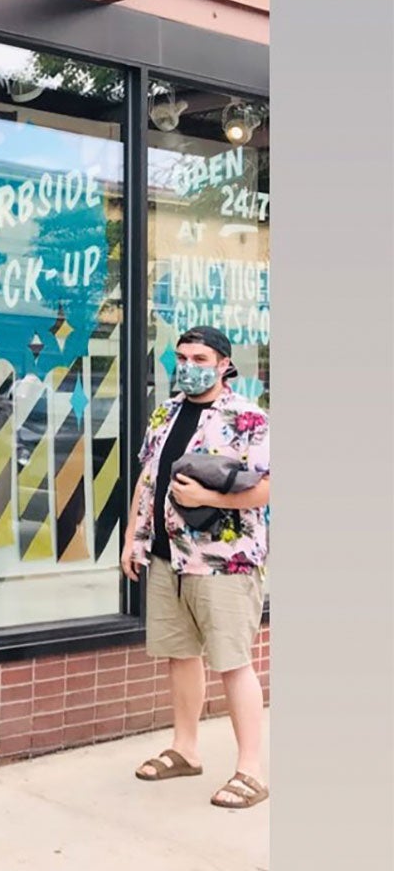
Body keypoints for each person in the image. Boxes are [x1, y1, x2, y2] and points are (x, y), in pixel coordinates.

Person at [121, 326, 271, 809]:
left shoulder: (248, 417)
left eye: (200, 356)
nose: (188, 364)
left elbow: (269, 486)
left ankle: (251, 769)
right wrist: (131, 538)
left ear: (224, 363)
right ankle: (185, 749)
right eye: (182, 356)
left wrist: (207, 497)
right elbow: (148, 480)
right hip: (167, 556)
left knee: (232, 661)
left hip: (223, 560)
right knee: (180, 655)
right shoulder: (165, 413)